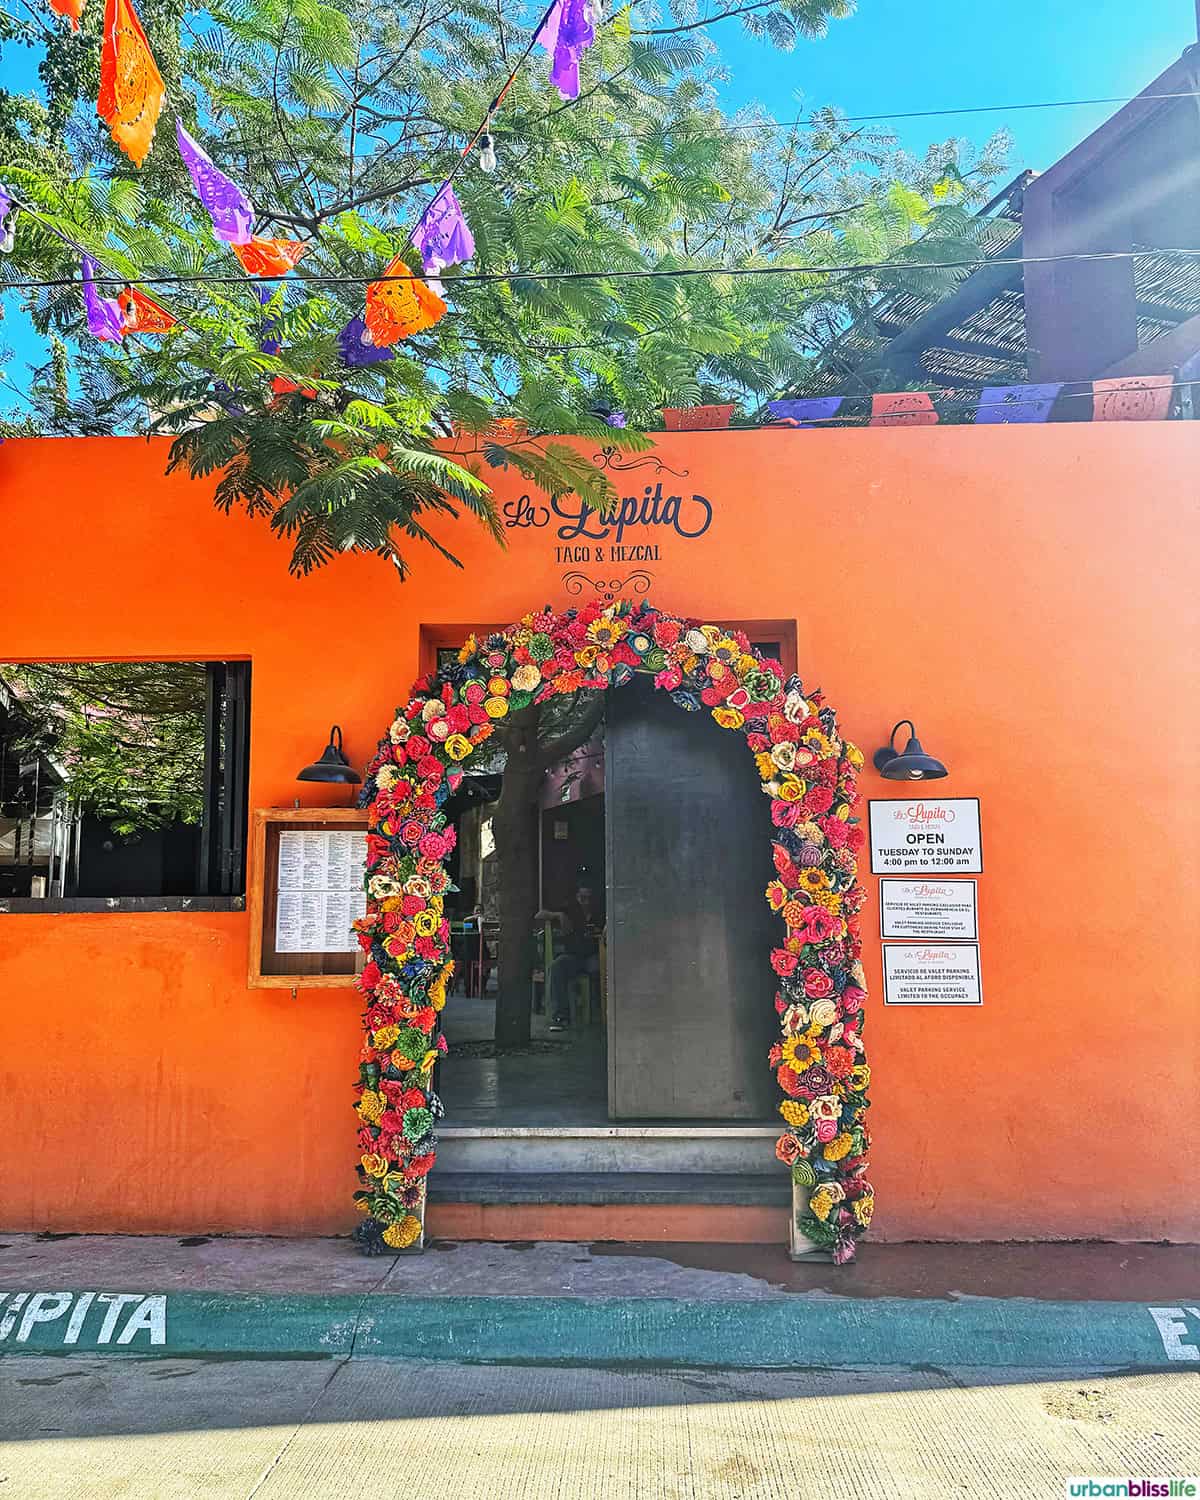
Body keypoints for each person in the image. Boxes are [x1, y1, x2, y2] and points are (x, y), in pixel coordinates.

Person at [539, 882, 603, 1031]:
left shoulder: (600, 912)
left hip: (595, 955)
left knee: (601, 968)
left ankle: (598, 1014)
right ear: (577, 897)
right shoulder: (570, 910)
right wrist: (558, 914)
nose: (585, 902)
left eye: (589, 898)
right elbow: (539, 914)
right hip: (574, 957)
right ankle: (561, 1016)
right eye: (582, 898)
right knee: (556, 967)